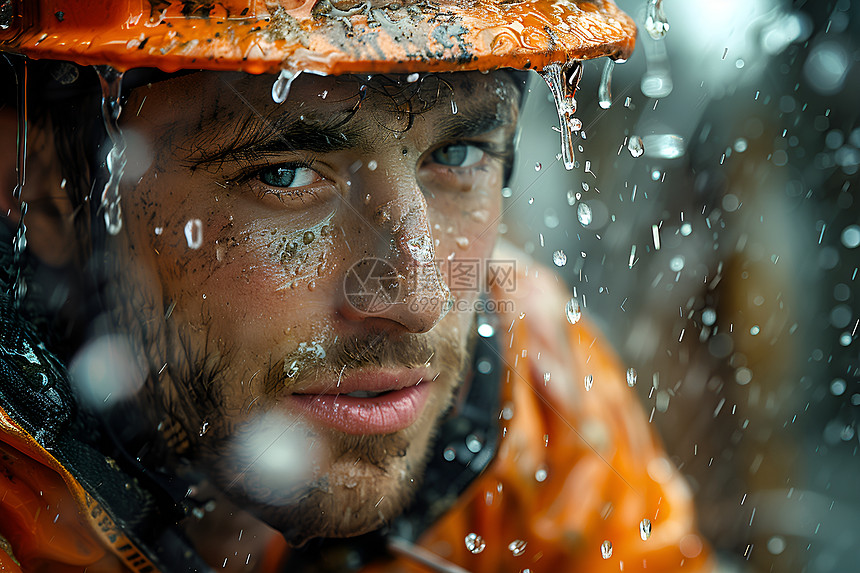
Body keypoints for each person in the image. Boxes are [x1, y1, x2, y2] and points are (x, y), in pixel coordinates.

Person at [0, 0, 713, 571]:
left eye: (458, 154)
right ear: (52, 192)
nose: (419, 295)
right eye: (284, 173)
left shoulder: (534, 400)